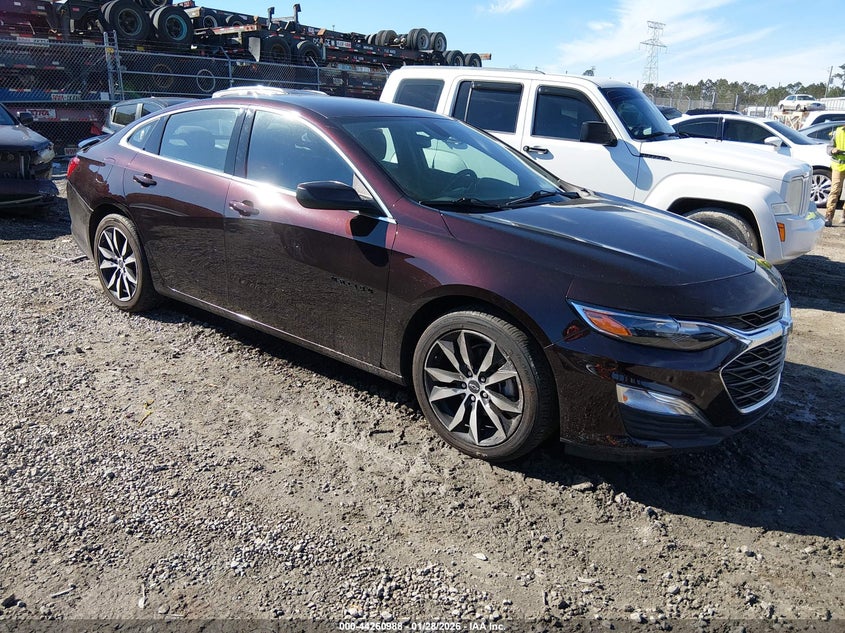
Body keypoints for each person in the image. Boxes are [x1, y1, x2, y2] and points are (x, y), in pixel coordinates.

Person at [825, 124, 845, 227]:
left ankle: (844, 215)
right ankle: (829, 215)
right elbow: (829, 148)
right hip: (838, 165)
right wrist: (833, 150)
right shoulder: (838, 131)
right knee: (835, 190)